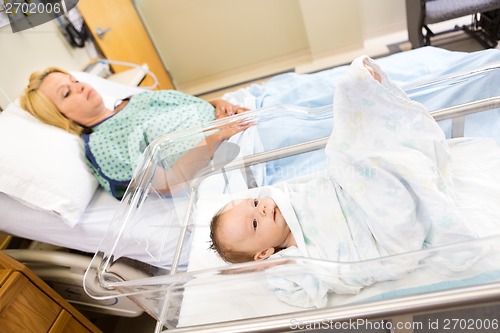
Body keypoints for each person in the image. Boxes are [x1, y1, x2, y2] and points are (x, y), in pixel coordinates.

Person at [209, 56, 480, 308]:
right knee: (371, 176)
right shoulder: (291, 264)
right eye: (255, 223)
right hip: (384, 236)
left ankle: (365, 102)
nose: (263, 209)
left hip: (357, 194)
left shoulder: (289, 199)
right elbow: (306, 296)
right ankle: (369, 118)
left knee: (345, 156)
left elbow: (327, 185)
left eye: (255, 203)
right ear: (263, 253)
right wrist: (263, 268)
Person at [20, 67, 252, 198]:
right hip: (235, 153)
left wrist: (217, 104)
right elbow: (165, 185)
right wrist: (216, 136)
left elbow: (188, 107)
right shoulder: (102, 145)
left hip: (240, 118)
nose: (80, 86)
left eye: (75, 80)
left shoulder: (133, 100)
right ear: (62, 117)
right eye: (67, 93)